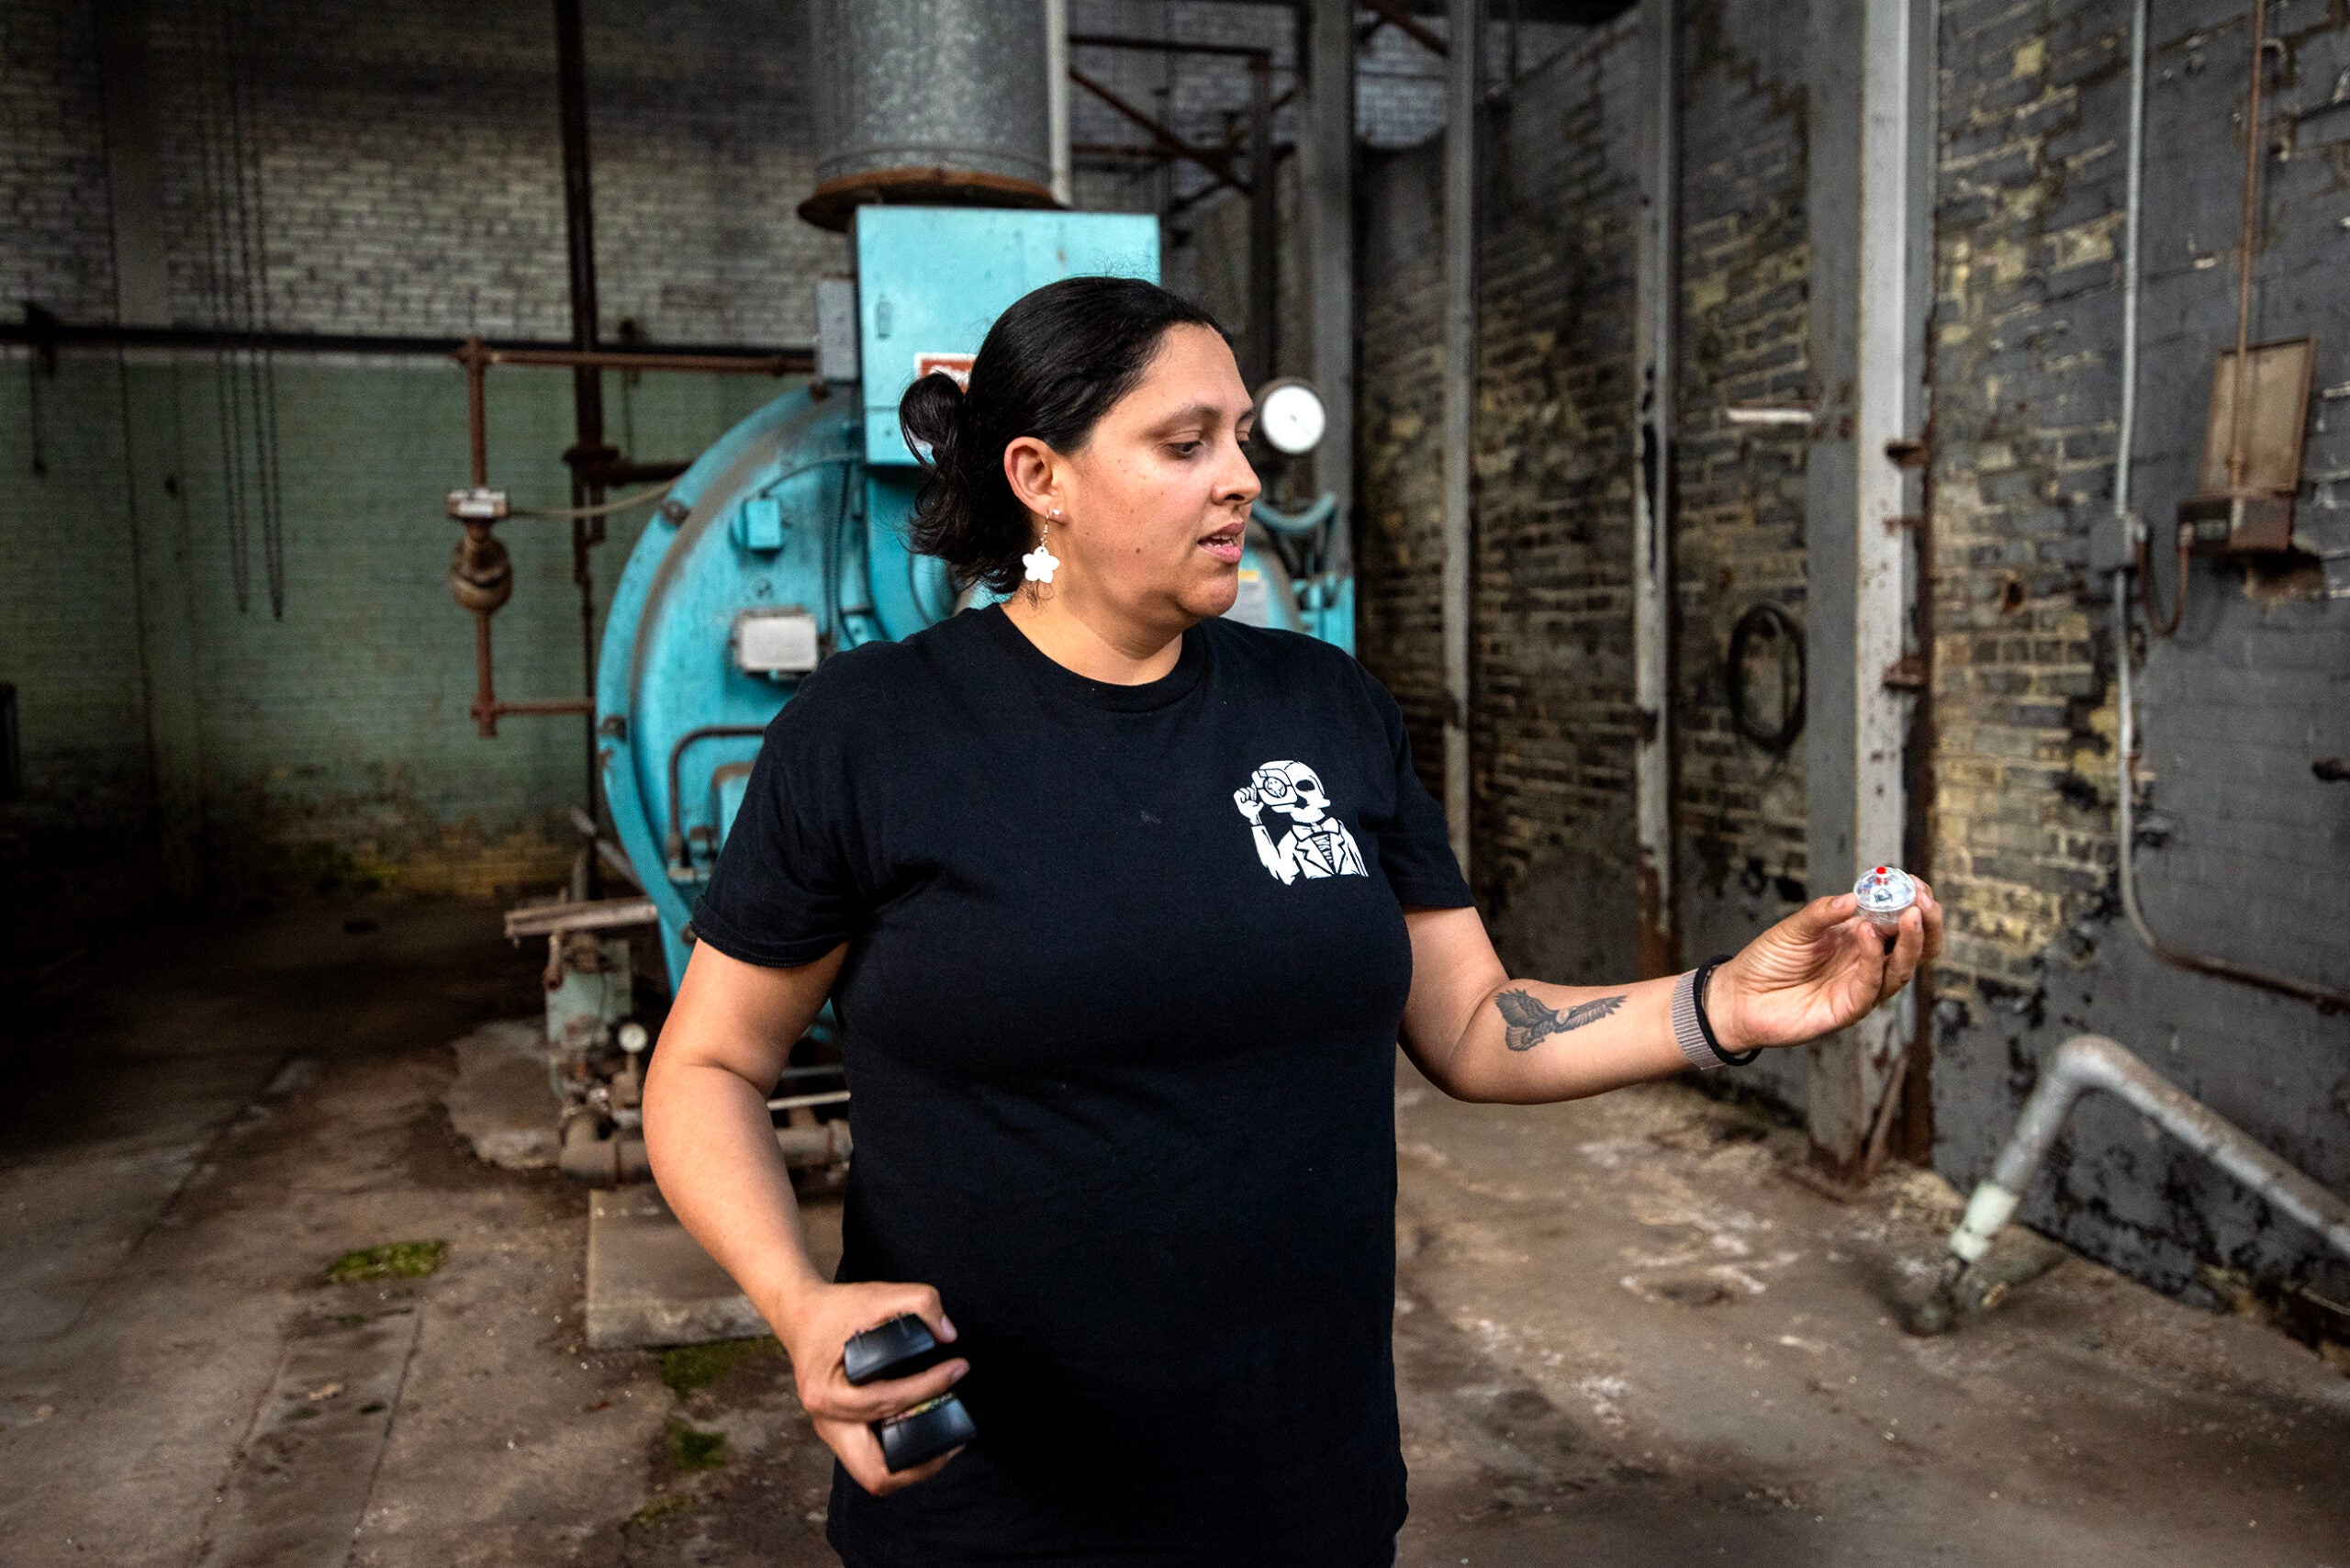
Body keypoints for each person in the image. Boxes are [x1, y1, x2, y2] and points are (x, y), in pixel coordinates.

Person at [642, 275, 1942, 1568]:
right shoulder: (872, 735)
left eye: (1244, 437)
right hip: (994, 1502)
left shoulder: (1325, 708)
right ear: (1041, 474)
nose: (1241, 480)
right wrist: (799, 1302)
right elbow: (708, 1066)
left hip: (1301, 1485)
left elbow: (1481, 1027)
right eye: (1185, 442)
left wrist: (1723, 1005)